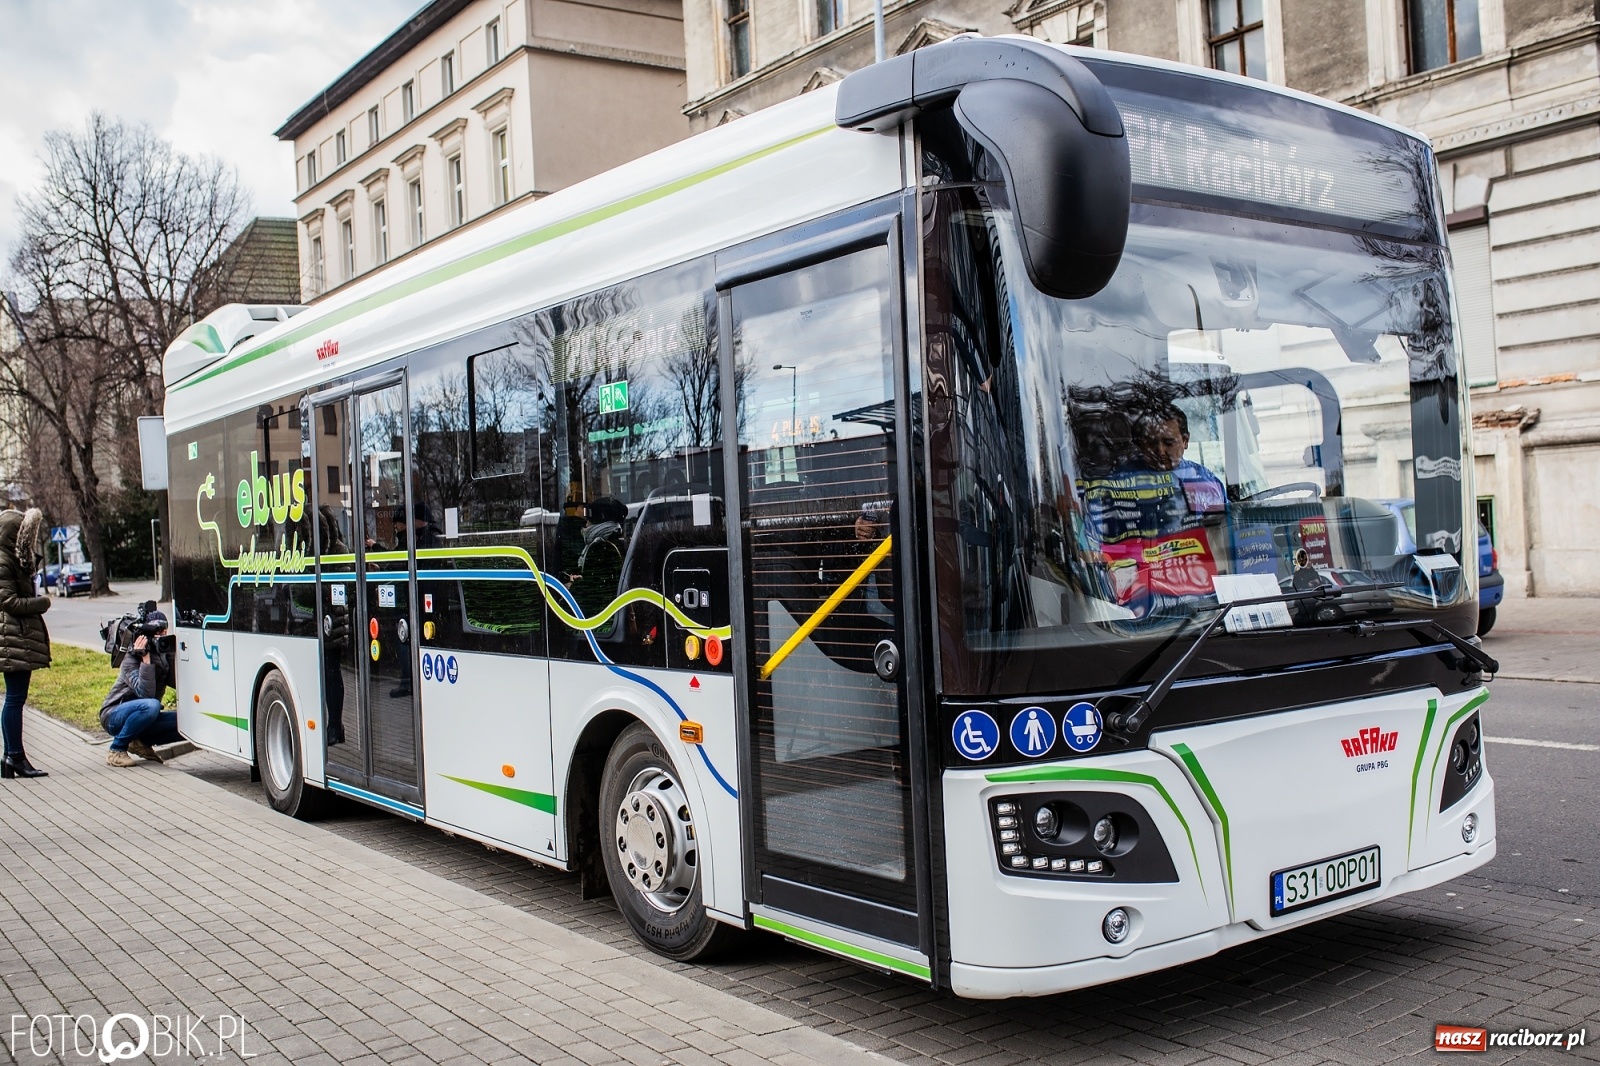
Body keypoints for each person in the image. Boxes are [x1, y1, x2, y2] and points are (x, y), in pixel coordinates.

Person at [1082, 404, 1228, 613]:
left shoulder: (1206, 483)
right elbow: (1092, 548)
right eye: (1151, 443)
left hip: (1202, 608)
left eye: (1169, 442)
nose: (1160, 451)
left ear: (1185, 440)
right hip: (1133, 609)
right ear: (1140, 444)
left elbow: (1223, 542)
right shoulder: (1111, 486)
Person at [0, 508, 52, 779]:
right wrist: (41, 603)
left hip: (16, 637)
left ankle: (12, 757)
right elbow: (7, 601)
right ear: (13, 535)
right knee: (15, 699)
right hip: (12, 637)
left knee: (15, 699)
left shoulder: (11, 558)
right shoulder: (3, 560)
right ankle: (14, 756)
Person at [100, 610, 180, 767]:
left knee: (187, 720)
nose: (162, 634)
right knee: (152, 705)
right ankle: (116, 750)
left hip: (146, 715)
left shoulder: (162, 652)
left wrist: (171, 653)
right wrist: (146, 659)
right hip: (114, 715)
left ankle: (140, 743)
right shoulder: (130, 658)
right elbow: (146, 694)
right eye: (157, 631)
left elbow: (176, 683)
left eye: (164, 629)